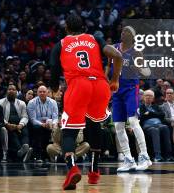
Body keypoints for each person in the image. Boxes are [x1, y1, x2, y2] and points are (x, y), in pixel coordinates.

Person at [49, 14, 123, 190]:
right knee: (95, 125)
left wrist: (54, 88)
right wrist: (114, 79)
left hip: (78, 85)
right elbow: (117, 55)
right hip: (100, 85)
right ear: (83, 27)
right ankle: (94, 172)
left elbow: (53, 69)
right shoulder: (94, 38)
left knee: (69, 132)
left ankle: (72, 168)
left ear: (66, 28)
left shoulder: (60, 44)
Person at [111, 26, 152, 172]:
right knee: (118, 127)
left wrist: (138, 67)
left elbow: (144, 71)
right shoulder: (113, 48)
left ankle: (145, 156)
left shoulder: (136, 52)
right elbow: (107, 67)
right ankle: (128, 159)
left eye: (127, 32)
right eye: (122, 31)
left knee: (134, 122)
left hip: (130, 89)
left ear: (133, 37)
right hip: (116, 91)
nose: (124, 33)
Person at [0, 84, 32, 161]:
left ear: (17, 92)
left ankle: (24, 148)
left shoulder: (22, 103)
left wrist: (20, 125)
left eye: (13, 89)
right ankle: (22, 151)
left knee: (25, 131)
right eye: (9, 89)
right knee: (12, 133)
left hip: (19, 124)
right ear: (7, 92)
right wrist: (7, 124)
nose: (11, 91)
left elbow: (25, 116)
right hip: (7, 124)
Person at [26, 86, 59, 161]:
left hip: (49, 124)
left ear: (47, 92)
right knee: (38, 128)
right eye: (40, 92)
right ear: (37, 93)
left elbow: (55, 117)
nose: (42, 93)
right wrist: (42, 124)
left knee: (55, 128)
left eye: (44, 92)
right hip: (37, 124)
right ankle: (39, 155)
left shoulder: (53, 102)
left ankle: (50, 154)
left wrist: (53, 124)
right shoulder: (31, 103)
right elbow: (33, 119)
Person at [140, 90, 173, 162]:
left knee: (165, 127)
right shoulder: (141, 107)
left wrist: (149, 113)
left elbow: (162, 115)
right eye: (146, 95)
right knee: (155, 130)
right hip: (147, 126)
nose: (148, 97)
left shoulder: (156, 106)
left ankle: (168, 155)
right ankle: (157, 155)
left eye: (150, 96)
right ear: (143, 97)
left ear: (153, 98)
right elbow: (141, 117)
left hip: (159, 124)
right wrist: (154, 114)